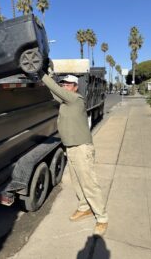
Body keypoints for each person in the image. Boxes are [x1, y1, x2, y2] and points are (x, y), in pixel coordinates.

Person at [38, 70, 108, 236]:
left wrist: (41, 74)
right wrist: (43, 77)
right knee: (77, 182)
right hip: (71, 147)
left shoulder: (76, 99)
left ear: (75, 87)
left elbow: (56, 89)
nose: (64, 86)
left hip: (82, 147)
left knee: (89, 183)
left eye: (67, 84)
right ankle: (84, 208)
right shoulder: (65, 101)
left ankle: (102, 217)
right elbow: (54, 90)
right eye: (63, 84)